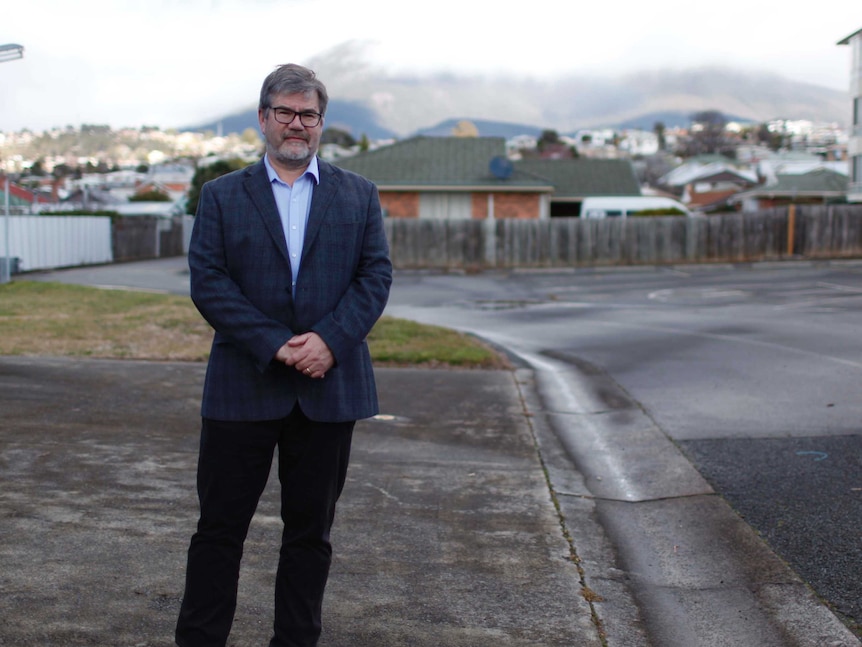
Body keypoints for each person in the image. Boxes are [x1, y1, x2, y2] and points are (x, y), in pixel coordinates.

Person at [175, 63, 392, 647]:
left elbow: (375, 276)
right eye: (287, 113)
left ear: (322, 123)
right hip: (241, 387)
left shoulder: (359, 195)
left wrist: (330, 341)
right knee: (219, 531)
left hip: (329, 387)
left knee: (310, 535)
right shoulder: (221, 195)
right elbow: (209, 282)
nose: (298, 124)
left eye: (309, 115)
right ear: (264, 118)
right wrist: (276, 344)